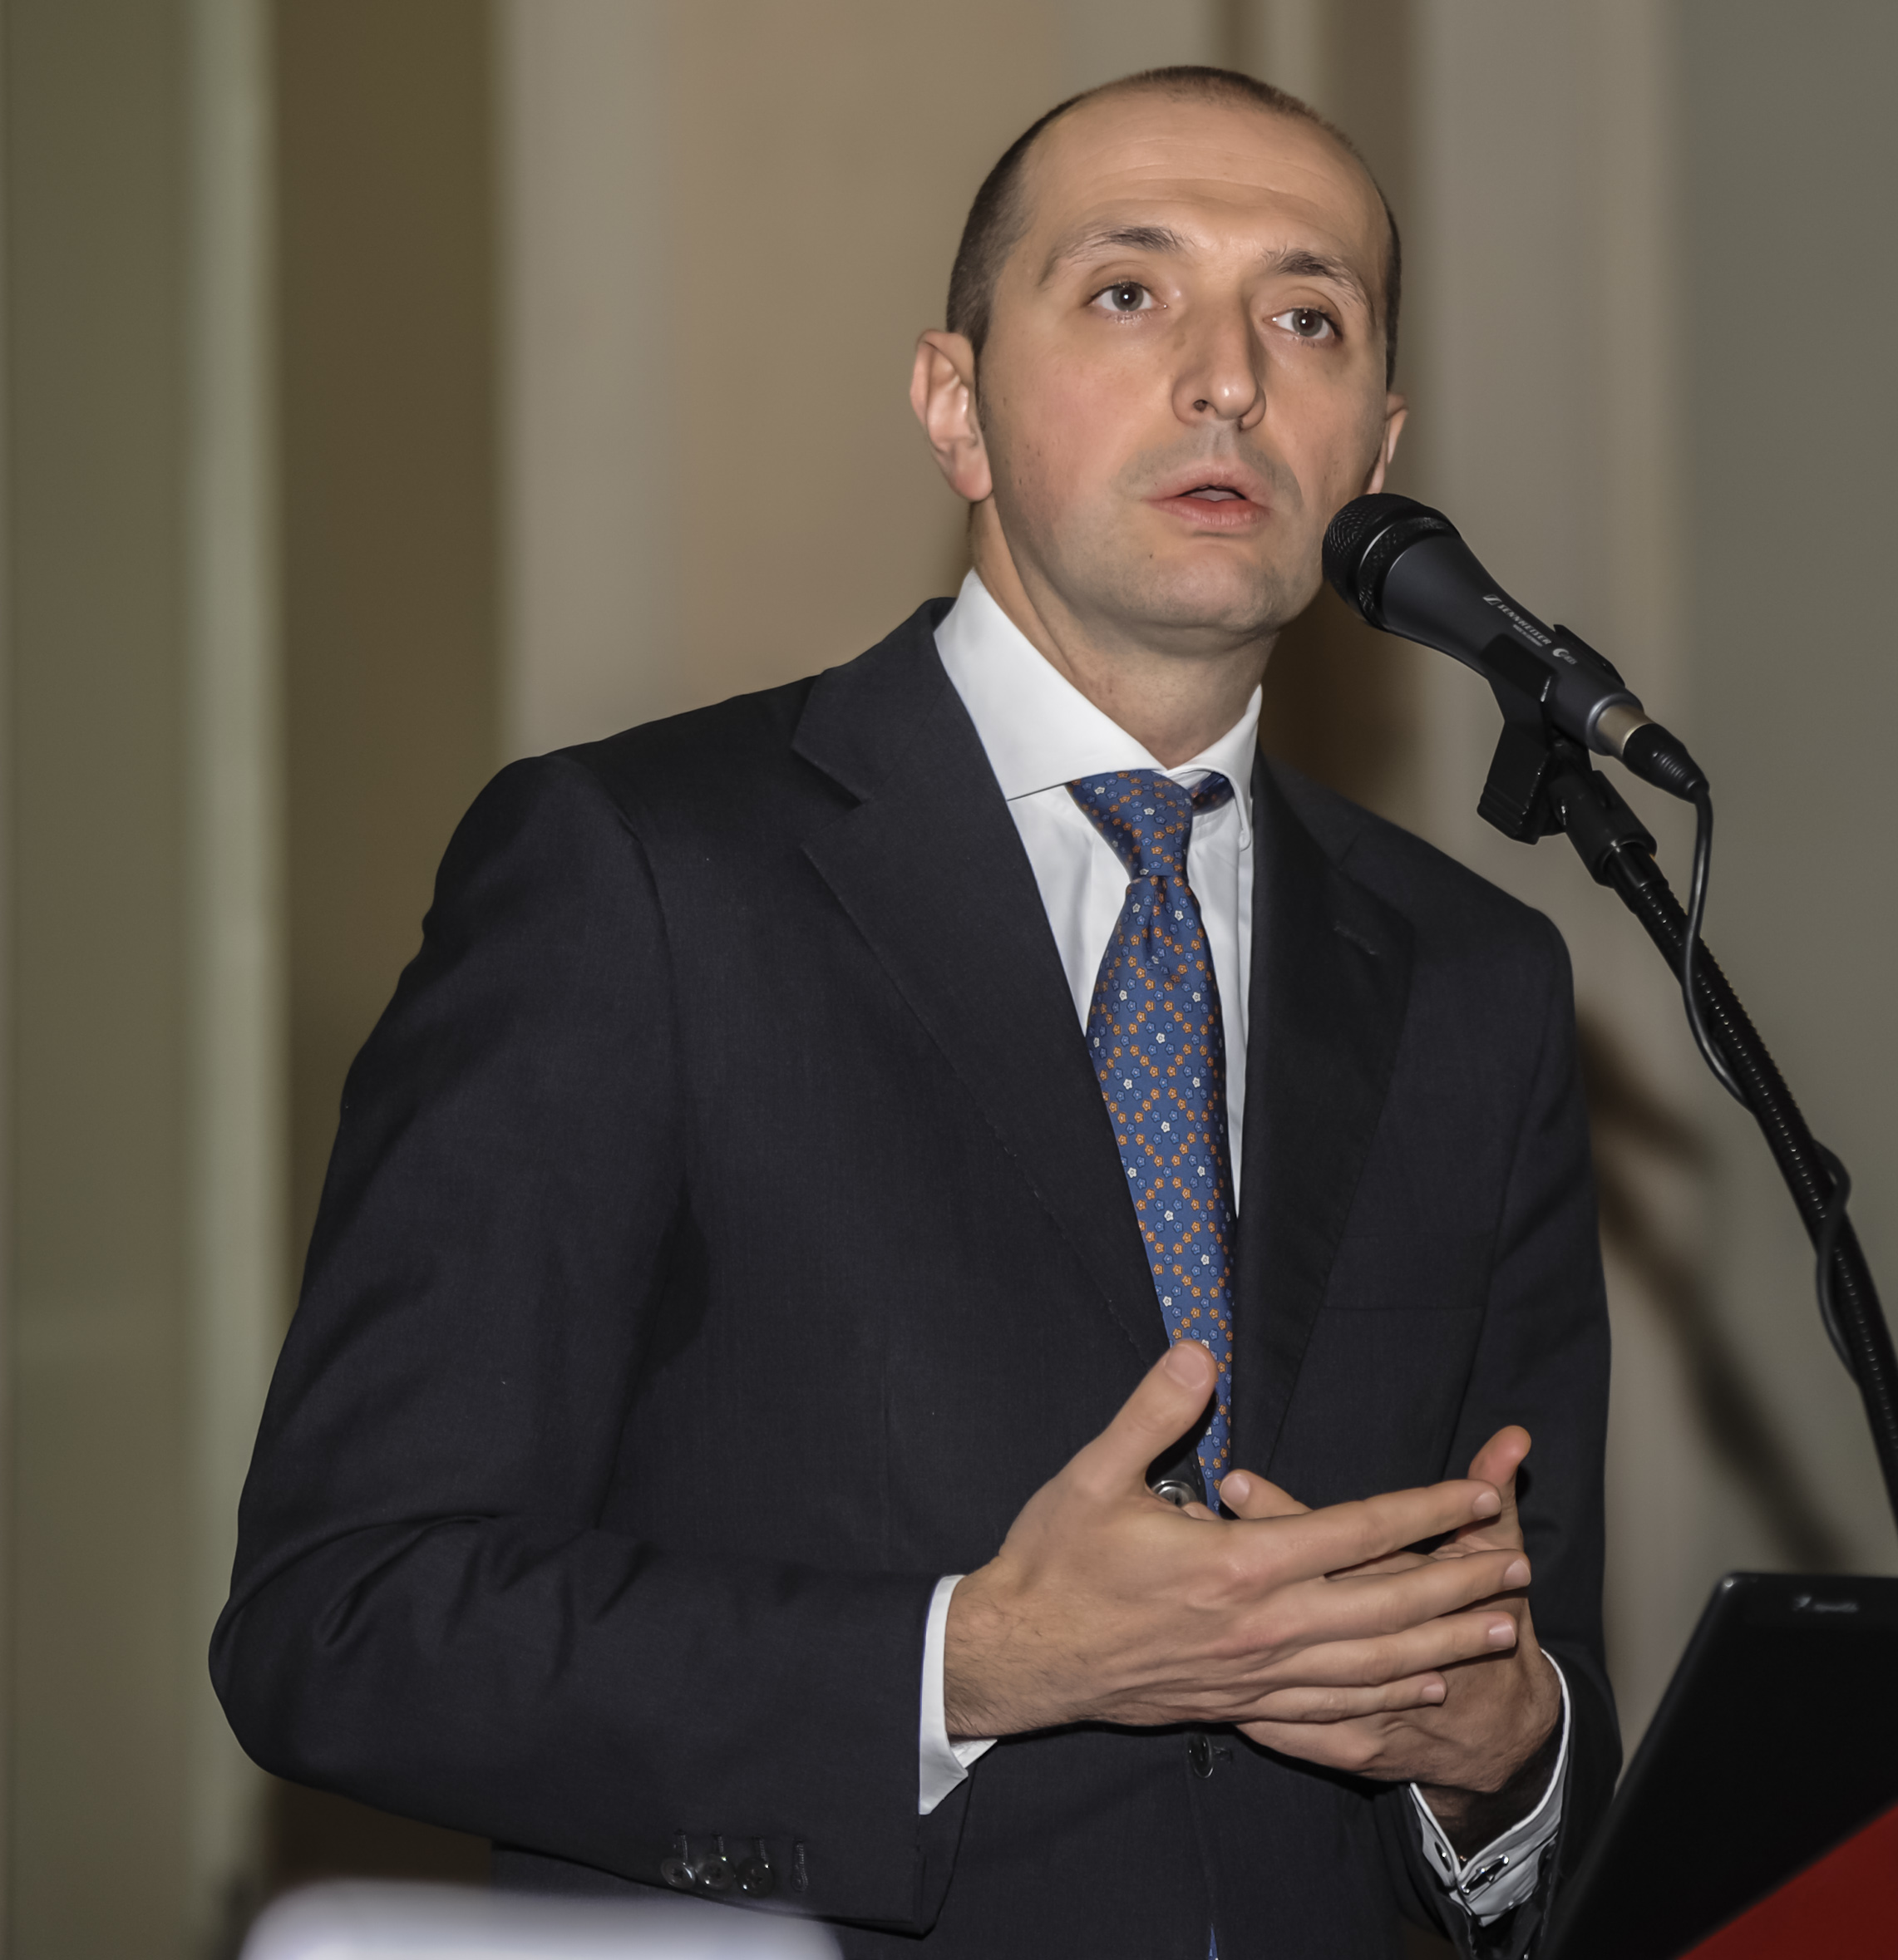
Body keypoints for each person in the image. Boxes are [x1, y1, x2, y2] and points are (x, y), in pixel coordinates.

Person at [213, 66, 1615, 1959]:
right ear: (954, 405)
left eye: (1306, 319)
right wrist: (974, 1660)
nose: (1226, 379)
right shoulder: (638, 875)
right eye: (1128, 291)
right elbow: (345, 1619)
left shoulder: (1475, 979)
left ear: (1374, 447)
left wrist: (1499, 1762)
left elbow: (1544, 1687)